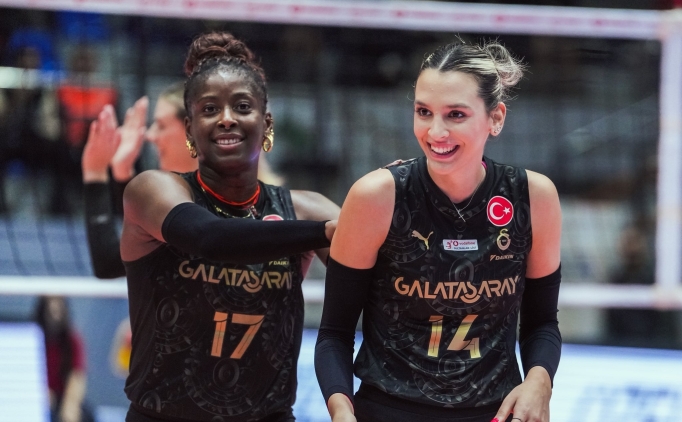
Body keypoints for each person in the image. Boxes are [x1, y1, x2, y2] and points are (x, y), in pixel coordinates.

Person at [315, 40, 562, 422]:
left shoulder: (533, 196)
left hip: (495, 412)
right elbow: (334, 333)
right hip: (388, 411)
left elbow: (542, 323)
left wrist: (539, 381)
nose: (435, 131)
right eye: (423, 112)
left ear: (496, 118)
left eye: (455, 115)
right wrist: (341, 411)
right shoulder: (375, 196)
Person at [119, 31, 340, 422]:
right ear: (190, 128)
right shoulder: (152, 190)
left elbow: (383, 279)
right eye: (209, 109)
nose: (226, 118)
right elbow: (210, 238)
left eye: (242, 106)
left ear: (266, 123)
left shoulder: (305, 209)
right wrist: (323, 233)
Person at [83, 82, 285, 279]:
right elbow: (141, 241)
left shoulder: (218, 206)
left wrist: (95, 174)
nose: (150, 136)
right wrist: (122, 171)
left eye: (161, 125)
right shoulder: (215, 196)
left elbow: (109, 263)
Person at [34, 296, 90, 422]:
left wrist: (71, 404)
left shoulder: (72, 340)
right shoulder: (33, 337)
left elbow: (77, 376)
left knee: (79, 414)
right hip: (39, 396)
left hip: (63, 397)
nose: (55, 317)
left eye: (59, 311)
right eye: (51, 312)